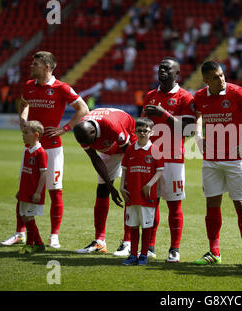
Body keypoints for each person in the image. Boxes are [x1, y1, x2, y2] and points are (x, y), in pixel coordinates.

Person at [1, 51, 89, 249]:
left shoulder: (61, 88)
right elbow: (23, 104)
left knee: (55, 191)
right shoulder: (28, 86)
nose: (31, 67)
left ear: (47, 67)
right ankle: (19, 233)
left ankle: (54, 236)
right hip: (30, 148)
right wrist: (23, 120)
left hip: (53, 149)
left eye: (36, 64)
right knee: (24, 190)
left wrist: (64, 129)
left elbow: (83, 109)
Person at [193, 60, 242, 267]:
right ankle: (214, 252)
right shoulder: (200, 97)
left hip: (236, 161)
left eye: (221, 75)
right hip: (211, 161)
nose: (221, 79)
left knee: (240, 204)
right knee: (212, 204)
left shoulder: (237, 93)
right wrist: (199, 137)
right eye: (215, 77)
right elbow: (197, 115)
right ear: (205, 80)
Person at [141, 57, 196, 263]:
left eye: (167, 68)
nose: (162, 70)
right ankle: (151, 246)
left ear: (177, 73)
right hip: (151, 157)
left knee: (174, 205)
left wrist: (164, 114)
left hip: (173, 158)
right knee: (150, 202)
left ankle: (174, 249)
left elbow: (189, 129)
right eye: (160, 67)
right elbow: (143, 124)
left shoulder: (185, 97)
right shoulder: (149, 95)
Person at [73, 108, 137, 255]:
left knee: (128, 190)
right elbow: (95, 158)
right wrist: (111, 187)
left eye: (91, 141)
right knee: (102, 190)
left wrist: (122, 184)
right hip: (110, 149)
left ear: (93, 133)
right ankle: (99, 242)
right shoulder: (82, 132)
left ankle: (128, 242)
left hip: (129, 147)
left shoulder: (111, 125)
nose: (90, 144)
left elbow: (128, 153)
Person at [120, 118, 164, 266]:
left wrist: (149, 184)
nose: (142, 133)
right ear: (135, 132)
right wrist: (121, 187)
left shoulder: (155, 149)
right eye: (139, 130)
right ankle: (133, 255)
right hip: (132, 194)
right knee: (133, 225)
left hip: (147, 195)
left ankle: (144, 255)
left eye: (146, 130)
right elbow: (124, 169)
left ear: (151, 132)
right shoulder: (131, 149)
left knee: (146, 226)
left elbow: (159, 172)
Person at [17, 121, 48, 254]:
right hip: (25, 190)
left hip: (33, 192)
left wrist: (38, 192)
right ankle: (39, 243)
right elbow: (25, 173)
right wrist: (20, 190)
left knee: (29, 217)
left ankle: (29, 245)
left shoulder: (40, 153)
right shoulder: (27, 150)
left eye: (26, 133)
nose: (23, 135)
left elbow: (43, 174)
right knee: (24, 216)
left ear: (36, 135)